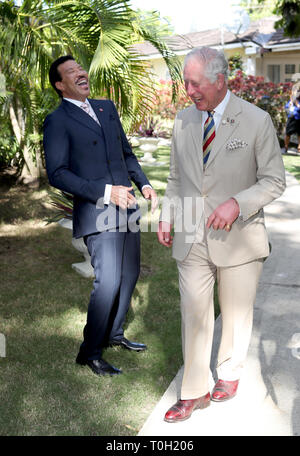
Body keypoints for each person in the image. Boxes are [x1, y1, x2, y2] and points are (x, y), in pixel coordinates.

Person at [157, 47, 286, 422]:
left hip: (239, 237)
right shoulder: (183, 121)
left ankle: (229, 372)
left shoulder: (257, 120)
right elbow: (177, 179)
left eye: (195, 83)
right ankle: (194, 391)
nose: (188, 90)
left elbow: (273, 181)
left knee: (235, 314)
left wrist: (237, 203)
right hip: (192, 236)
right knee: (194, 313)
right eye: (185, 82)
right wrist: (168, 216)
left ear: (220, 80)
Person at [43, 55, 157, 377]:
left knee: (130, 274)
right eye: (71, 72)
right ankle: (90, 353)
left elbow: (126, 153)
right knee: (107, 281)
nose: (81, 73)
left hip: (128, 208)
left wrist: (144, 184)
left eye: (80, 68)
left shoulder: (107, 108)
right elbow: (58, 174)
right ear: (60, 84)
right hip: (98, 210)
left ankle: (114, 334)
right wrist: (106, 192)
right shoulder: (58, 120)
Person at [283, 83, 300, 153]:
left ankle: (299, 149)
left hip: (299, 118)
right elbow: (287, 108)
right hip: (291, 118)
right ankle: (286, 147)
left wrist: (297, 103)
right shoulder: (290, 101)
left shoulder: (298, 101)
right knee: (288, 133)